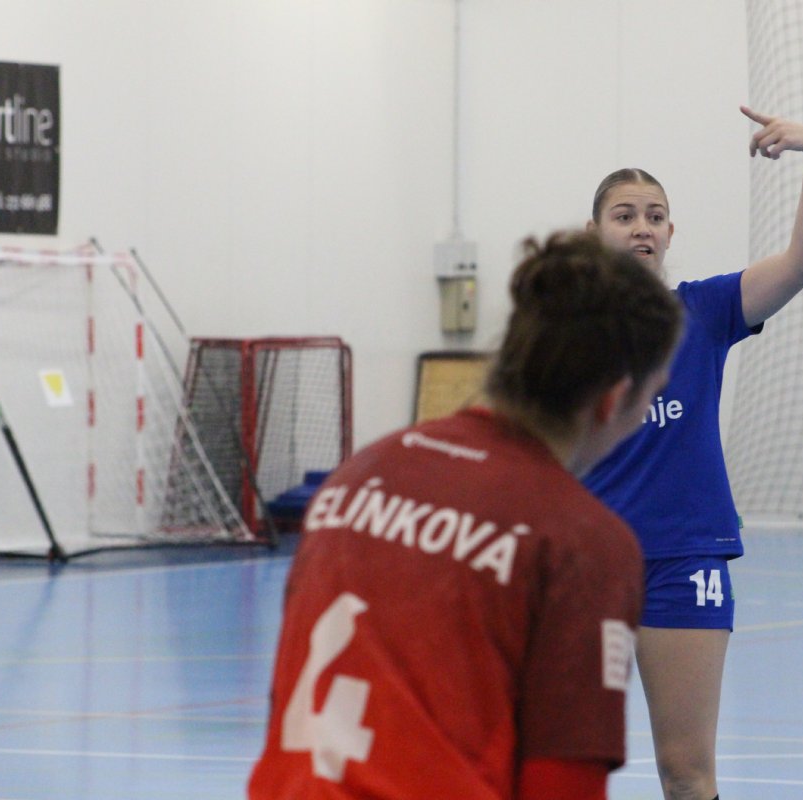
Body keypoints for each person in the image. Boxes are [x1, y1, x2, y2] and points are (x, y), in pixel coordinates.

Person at [248, 231, 684, 800]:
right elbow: (562, 789)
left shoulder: (357, 476)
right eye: (652, 393)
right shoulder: (581, 541)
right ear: (613, 398)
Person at [583, 106, 803, 800]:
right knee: (561, 764)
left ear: (670, 233)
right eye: (625, 215)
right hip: (585, 566)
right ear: (593, 233)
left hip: (682, 560)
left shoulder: (706, 311)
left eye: (655, 216)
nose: (642, 227)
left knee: (686, 771)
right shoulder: (560, 335)